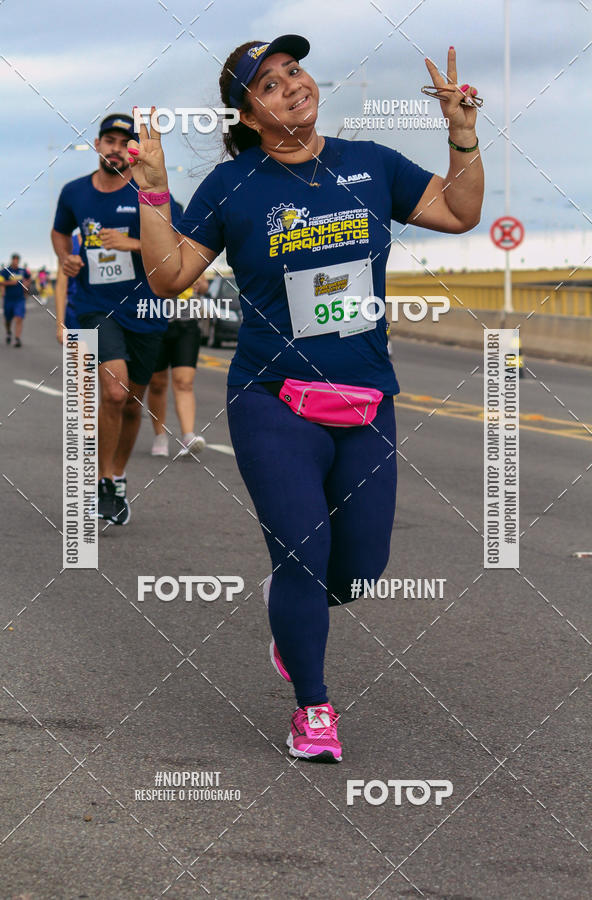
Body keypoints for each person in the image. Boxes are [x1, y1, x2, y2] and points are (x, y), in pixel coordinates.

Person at [130, 38, 483, 762]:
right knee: (302, 554)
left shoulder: (372, 163)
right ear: (248, 113)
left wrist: (462, 133)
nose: (291, 86)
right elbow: (169, 279)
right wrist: (154, 191)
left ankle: (290, 616)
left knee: (356, 573)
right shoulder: (233, 186)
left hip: (365, 398)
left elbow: (458, 213)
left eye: (294, 71)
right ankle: (313, 710)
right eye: (269, 84)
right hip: (272, 399)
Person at [51, 113, 180, 525]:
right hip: (94, 306)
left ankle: (118, 477)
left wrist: (132, 242)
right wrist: (65, 258)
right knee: (113, 391)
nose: (116, 148)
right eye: (109, 140)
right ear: (97, 144)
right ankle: (102, 480)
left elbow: (176, 245)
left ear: (134, 150)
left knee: (131, 403)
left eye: (125, 143)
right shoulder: (75, 193)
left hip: (145, 309)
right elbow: (60, 232)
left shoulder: (150, 191)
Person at [148, 273, 208, 458]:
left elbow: (204, 285)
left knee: (184, 382)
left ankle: (188, 437)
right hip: (154, 319)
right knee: (157, 384)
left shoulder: (190, 246)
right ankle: (160, 436)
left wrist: (200, 284)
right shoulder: (150, 247)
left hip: (186, 322)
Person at [54, 231, 82, 343]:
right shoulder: (69, 244)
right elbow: (61, 286)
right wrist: (60, 325)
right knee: (80, 360)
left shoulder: (114, 238)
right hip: (76, 316)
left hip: (111, 317)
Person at [0, 253, 31, 347]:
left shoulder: (23, 271)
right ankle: (8, 332)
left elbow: (28, 279)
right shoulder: (5, 271)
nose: (16, 262)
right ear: (12, 260)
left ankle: (17, 339)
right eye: (14, 260)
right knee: (8, 319)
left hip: (19, 299)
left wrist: (27, 284)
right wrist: (10, 283)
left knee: (19, 318)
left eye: (17, 260)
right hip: (8, 299)